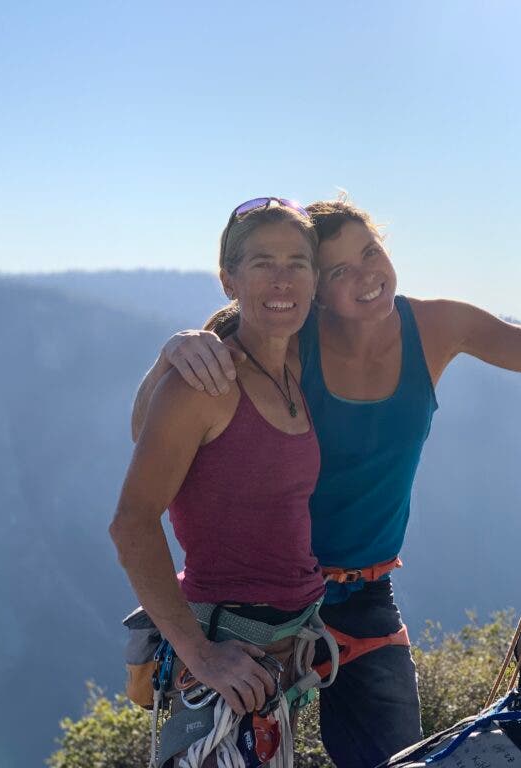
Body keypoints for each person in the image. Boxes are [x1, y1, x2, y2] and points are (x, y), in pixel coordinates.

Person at [131, 198, 521, 768]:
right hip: (262, 602)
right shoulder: (288, 343)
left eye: (371, 251)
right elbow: (148, 435)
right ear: (316, 293)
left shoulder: (436, 327)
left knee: (398, 758)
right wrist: (175, 352)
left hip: (364, 597)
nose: (366, 276)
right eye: (338, 271)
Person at [111, 197, 330, 767]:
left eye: (296, 262)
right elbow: (131, 524)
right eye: (261, 262)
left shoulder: (298, 367)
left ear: (314, 278)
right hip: (224, 656)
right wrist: (202, 656)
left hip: (279, 659)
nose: (282, 279)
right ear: (229, 278)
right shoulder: (205, 384)